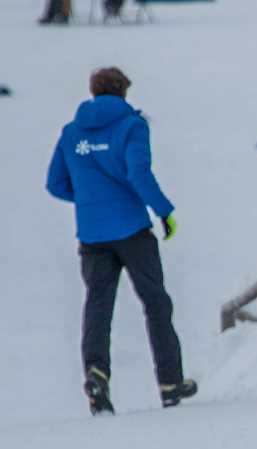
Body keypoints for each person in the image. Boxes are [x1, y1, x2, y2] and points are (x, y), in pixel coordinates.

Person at [45, 67, 197, 415]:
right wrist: (164, 211)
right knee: (155, 303)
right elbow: (138, 172)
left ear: (94, 92)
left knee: (98, 305)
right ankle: (171, 382)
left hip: (92, 235)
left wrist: (90, 199)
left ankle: (96, 375)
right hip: (132, 231)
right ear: (124, 92)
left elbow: (55, 183)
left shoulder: (71, 133)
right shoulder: (132, 126)